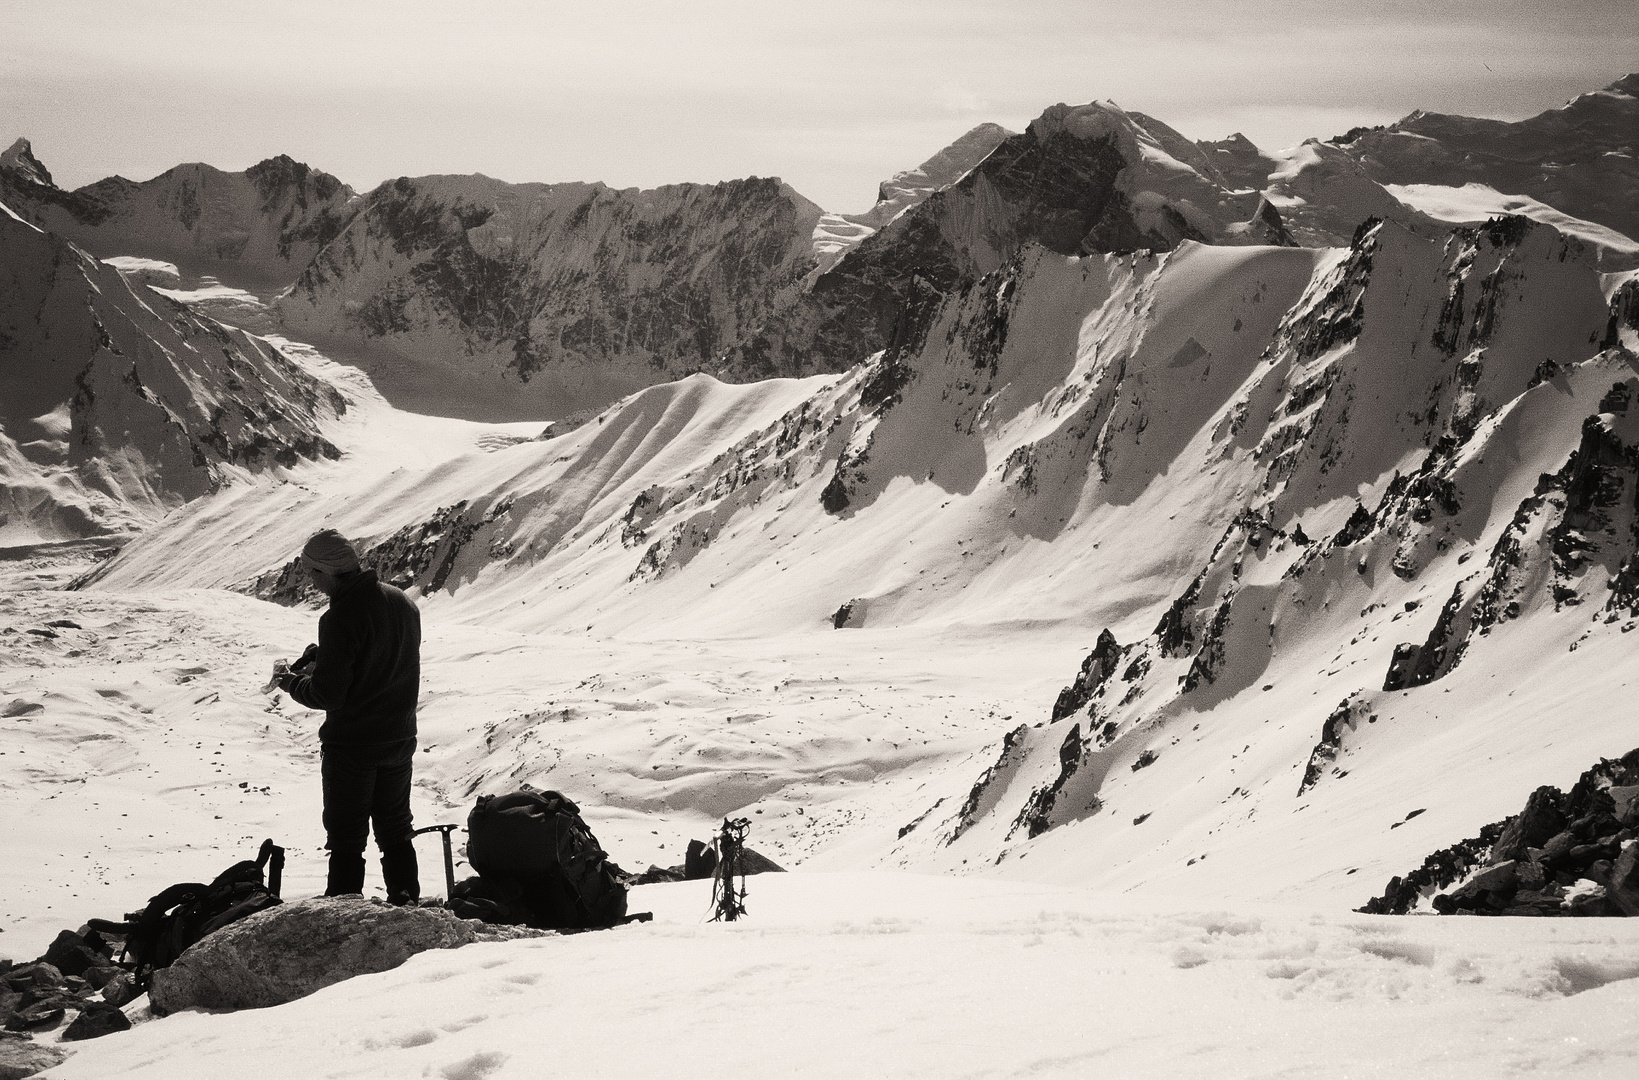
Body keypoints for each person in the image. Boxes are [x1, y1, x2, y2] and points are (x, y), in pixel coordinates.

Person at [272, 529, 422, 904]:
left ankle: (344, 912)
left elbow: (328, 695)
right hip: (399, 740)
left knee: (346, 838)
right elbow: (379, 660)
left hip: (353, 746)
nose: (310, 580)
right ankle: (407, 904)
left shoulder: (339, 617)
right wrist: (327, 658)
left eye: (311, 572)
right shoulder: (402, 602)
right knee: (396, 830)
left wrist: (290, 682)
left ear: (325, 572)